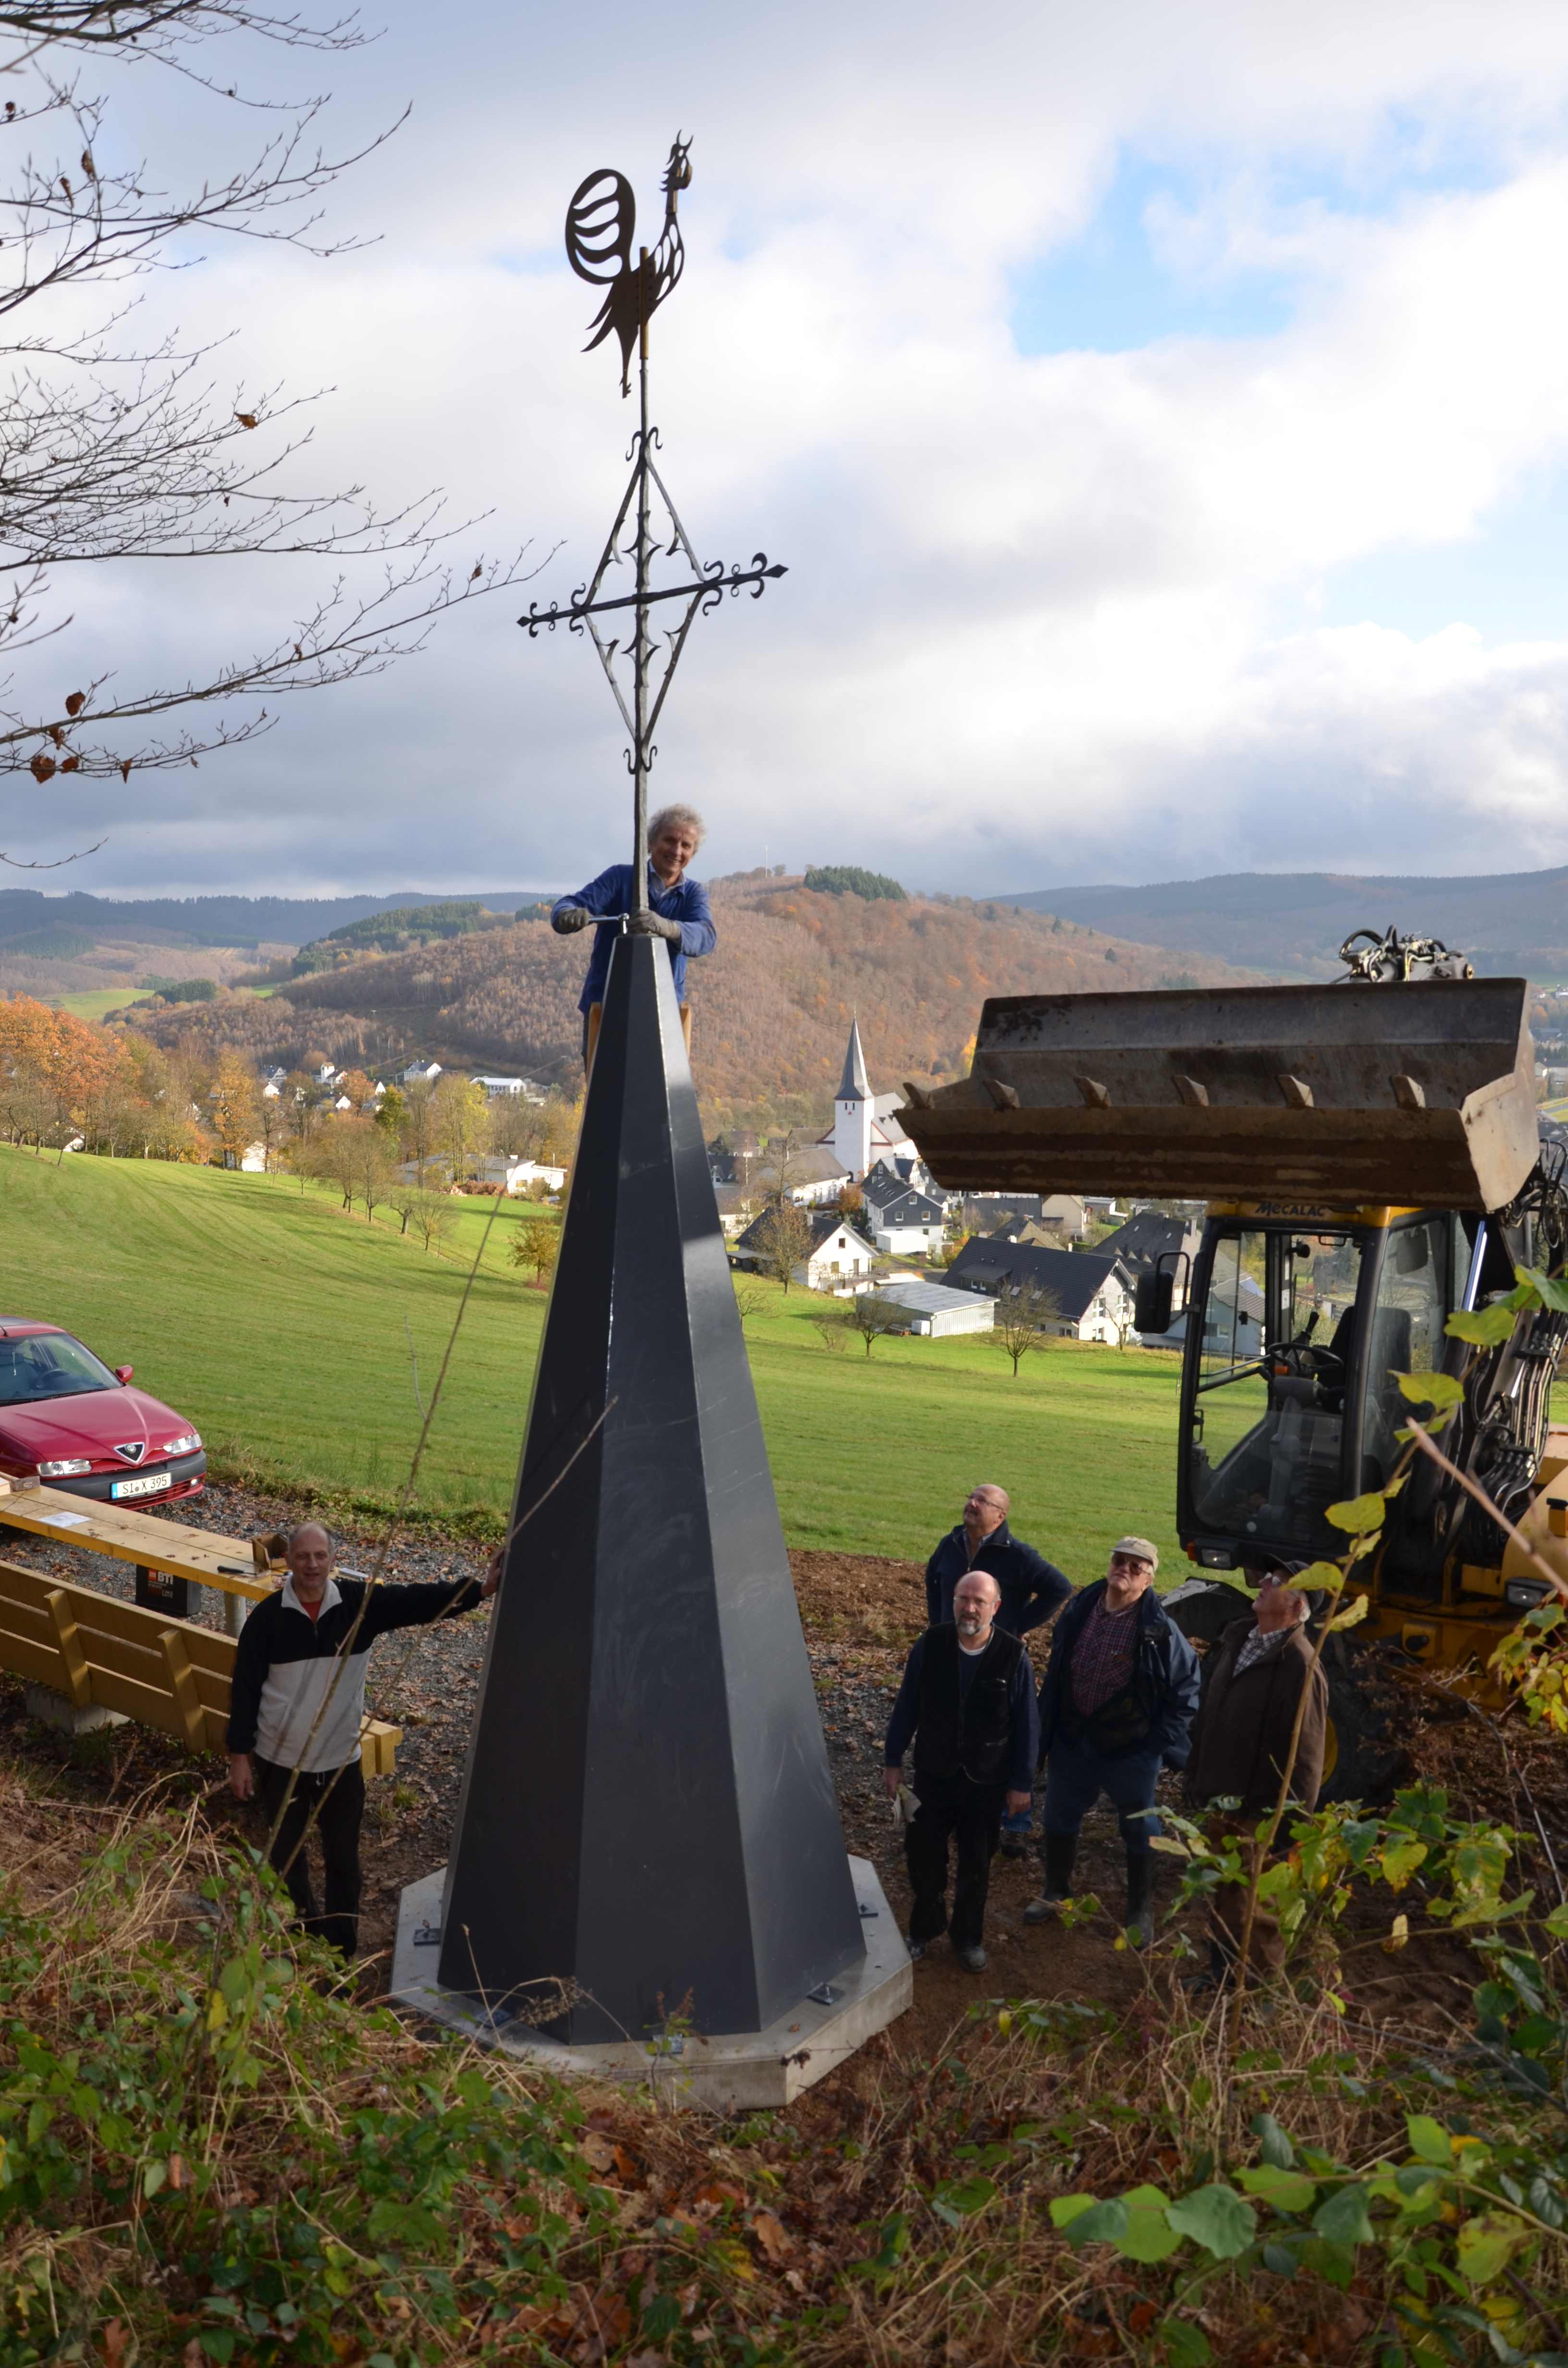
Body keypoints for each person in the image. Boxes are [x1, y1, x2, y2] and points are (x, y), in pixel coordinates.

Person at [227, 1523, 501, 1956]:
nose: (312, 1565)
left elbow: (419, 1601)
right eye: (303, 1557)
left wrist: (481, 1590)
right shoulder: (266, 1620)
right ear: (290, 1561)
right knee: (287, 1863)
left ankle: (339, 1952)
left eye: (320, 1556)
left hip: (340, 1763)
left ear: (334, 1560)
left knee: (344, 1865)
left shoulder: (360, 1606)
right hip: (281, 1762)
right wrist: (239, 1756)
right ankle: (304, 1939)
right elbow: (243, 1691)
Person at [1024, 1535, 1200, 1947]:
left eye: (1136, 1567)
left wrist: (1156, 1744)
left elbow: (1188, 1691)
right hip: (1075, 1739)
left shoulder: (1162, 1632)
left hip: (1132, 1748)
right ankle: (1056, 1892)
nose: (1125, 1569)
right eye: (1120, 1560)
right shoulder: (1080, 1609)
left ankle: (1139, 1910)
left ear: (1149, 1580)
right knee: (1058, 1818)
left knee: (1140, 1829)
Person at [883, 1570, 1039, 1973]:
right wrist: (893, 1759)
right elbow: (907, 1705)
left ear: (996, 1607)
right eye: (962, 1599)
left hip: (987, 1783)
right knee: (923, 1857)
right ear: (952, 1600)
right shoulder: (930, 1644)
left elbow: (1027, 1726)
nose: (969, 1608)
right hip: (933, 1777)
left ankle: (967, 1938)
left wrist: (1022, 1784)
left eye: (979, 1601)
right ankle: (923, 1930)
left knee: (976, 1866)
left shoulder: (1014, 1656)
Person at [1184, 1554, 1328, 1984]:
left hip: (1261, 1815)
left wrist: (1287, 1828)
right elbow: (1211, 1717)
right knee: (1220, 1893)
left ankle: (1262, 1996)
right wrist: (1197, 1777)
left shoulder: (1301, 1664)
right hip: (1220, 1797)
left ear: (1296, 1604)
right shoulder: (1240, 1639)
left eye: (1277, 1580)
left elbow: (1306, 1759)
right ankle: (1219, 1975)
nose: (1263, 1582)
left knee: (1256, 1910)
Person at [924, 1483, 1070, 1857]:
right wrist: (937, 1625)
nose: (971, 1504)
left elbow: (1058, 1587)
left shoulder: (1018, 1555)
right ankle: (951, 1809)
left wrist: (1016, 1626)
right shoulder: (951, 1544)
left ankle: (1015, 1821)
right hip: (951, 1653)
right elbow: (932, 1579)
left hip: (997, 1658)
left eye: (982, 1501)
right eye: (970, 1497)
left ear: (1000, 1516)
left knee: (1006, 1732)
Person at [551, 803, 717, 1059]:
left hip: (664, 1015)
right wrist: (566, 916)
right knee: (603, 1092)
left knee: (659, 1097)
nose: (677, 851)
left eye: (686, 846)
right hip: (607, 1010)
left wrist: (665, 927)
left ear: (693, 854)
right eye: (670, 840)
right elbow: (568, 905)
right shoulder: (620, 878)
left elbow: (705, 937)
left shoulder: (693, 894)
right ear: (650, 844)